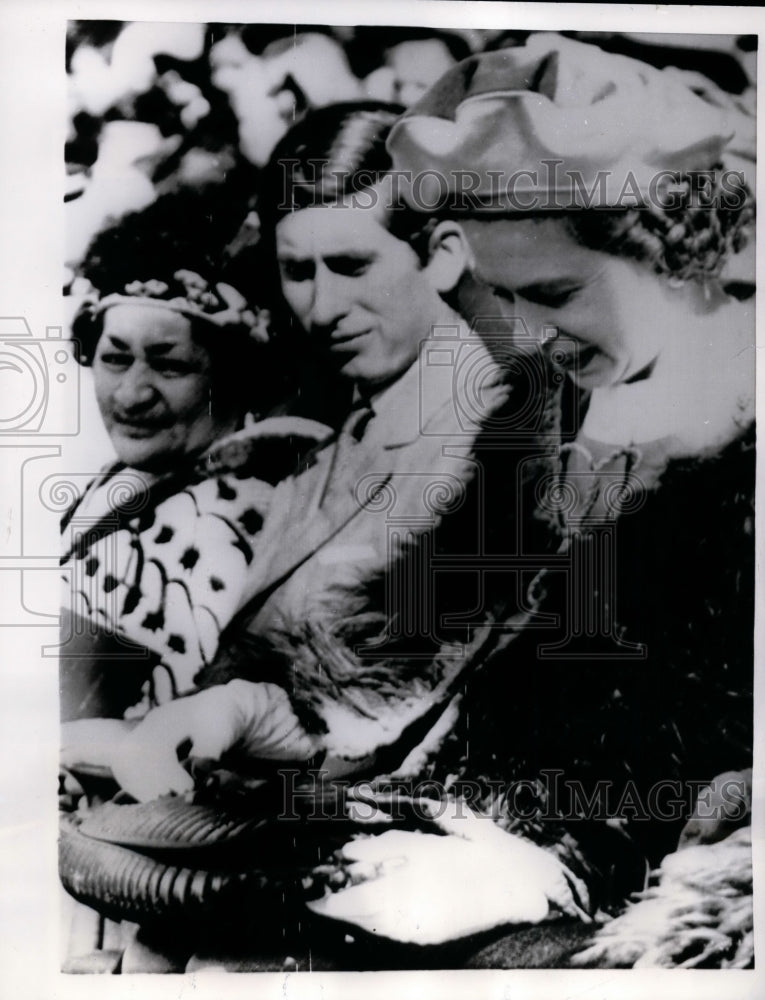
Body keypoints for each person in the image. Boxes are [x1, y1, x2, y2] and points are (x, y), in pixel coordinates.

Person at [382, 31, 755, 936]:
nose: (528, 332)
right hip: (480, 837)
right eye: (504, 298)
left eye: (552, 293)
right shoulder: (545, 412)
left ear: (671, 250)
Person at [104, 103, 561, 816]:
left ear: (441, 255)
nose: (320, 308)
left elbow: (385, 711)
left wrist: (214, 719)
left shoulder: (499, 434)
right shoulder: (351, 422)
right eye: (296, 271)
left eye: (350, 265)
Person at [60, 193, 331, 719]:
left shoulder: (225, 516)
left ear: (238, 375)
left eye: (171, 366)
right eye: (115, 359)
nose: (133, 393)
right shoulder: (126, 485)